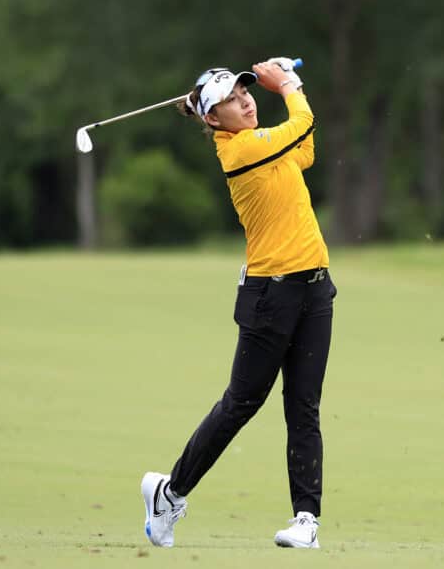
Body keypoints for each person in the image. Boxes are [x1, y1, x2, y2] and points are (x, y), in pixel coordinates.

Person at [141, 58, 335, 550]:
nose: (246, 100)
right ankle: (170, 493)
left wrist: (291, 90)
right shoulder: (240, 151)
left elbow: (304, 146)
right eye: (230, 99)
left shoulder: (268, 144)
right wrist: (288, 84)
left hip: (314, 287)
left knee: (303, 406)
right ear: (213, 120)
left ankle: (306, 519)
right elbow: (303, 123)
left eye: (246, 92)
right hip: (270, 294)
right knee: (241, 403)